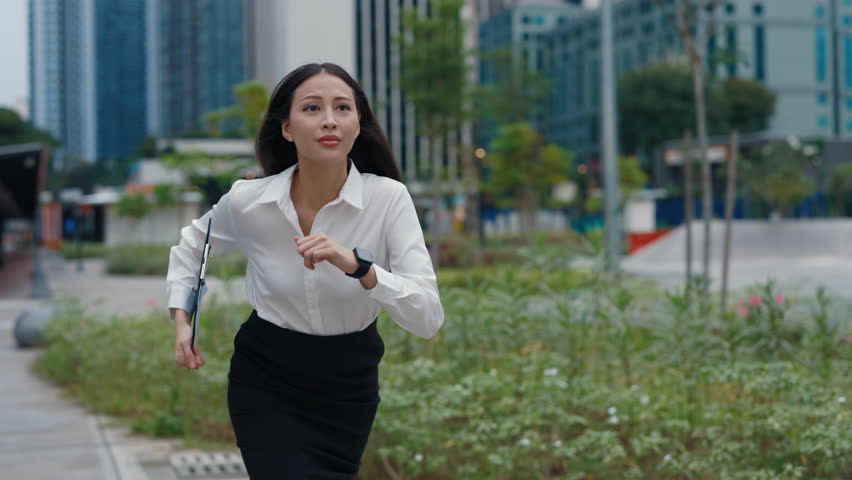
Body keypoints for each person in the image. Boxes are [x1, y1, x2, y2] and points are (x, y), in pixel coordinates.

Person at [166, 63, 445, 479]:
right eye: (312, 108)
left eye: (343, 108)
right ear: (287, 128)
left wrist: (361, 267)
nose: (330, 119)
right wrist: (182, 319)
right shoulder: (248, 201)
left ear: (357, 125)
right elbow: (193, 247)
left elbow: (427, 317)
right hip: (267, 377)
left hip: (349, 384)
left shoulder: (389, 200)